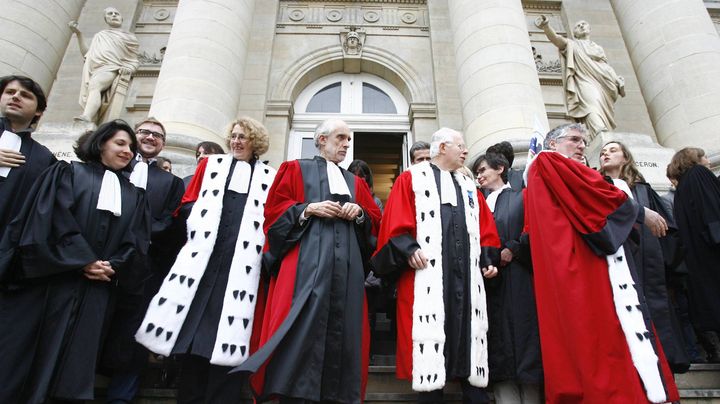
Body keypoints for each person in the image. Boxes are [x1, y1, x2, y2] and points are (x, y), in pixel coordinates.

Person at [525, 123, 678, 403]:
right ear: (552, 144)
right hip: (579, 259)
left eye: (583, 141)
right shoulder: (549, 160)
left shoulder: (541, 169)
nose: (581, 146)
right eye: (573, 140)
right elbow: (594, 190)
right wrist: (640, 211)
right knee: (600, 336)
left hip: (568, 257)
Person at [0, 120, 149, 403]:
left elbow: (136, 241)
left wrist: (113, 265)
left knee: (77, 366)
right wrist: (83, 260)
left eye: (131, 147)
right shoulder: (67, 173)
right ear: (100, 143)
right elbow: (53, 219)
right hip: (54, 281)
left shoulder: (134, 195)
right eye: (120, 143)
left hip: (98, 289)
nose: (128, 151)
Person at [235, 118, 381, 403]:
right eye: (340, 138)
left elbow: (376, 223)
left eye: (348, 140)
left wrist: (360, 213)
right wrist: (307, 209)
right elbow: (273, 213)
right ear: (321, 140)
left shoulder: (356, 183)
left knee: (345, 332)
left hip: (347, 268)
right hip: (304, 265)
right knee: (300, 325)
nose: (346, 144)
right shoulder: (294, 170)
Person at [136, 117, 276, 403]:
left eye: (243, 137)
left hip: (240, 270)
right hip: (204, 264)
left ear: (255, 142)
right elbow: (187, 203)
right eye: (234, 136)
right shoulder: (210, 167)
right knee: (193, 338)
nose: (236, 141)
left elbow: (273, 219)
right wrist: (200, 224)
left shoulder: (269, 176)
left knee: (230, 339)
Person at [372, 128, 501, 403]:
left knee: (468, 335)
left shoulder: (469, 187)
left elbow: (486, 228)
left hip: (466, 277)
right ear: (442, 148)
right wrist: (409, 248)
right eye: (460, 145)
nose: (466, 151)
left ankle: (473, 390)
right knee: (429, 347)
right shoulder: (410, 179)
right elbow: (394, 221)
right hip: (427, 276)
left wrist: (488, 259)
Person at [102, 117, 185, 403]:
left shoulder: (171, 182)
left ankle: (120, 396)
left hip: (146, 267)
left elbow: (171, 222)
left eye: (157, 135)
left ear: (163, 144)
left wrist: (139, 237)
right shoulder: (112, 169)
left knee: (134, 331)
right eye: (144, 132)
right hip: (102, 261)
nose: (150, 137)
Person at [599, 141, 690, 372]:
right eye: (602, 152)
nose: (605, 154)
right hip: (617, 258)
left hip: (648, 260)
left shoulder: (642, 189)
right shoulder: (600, 187)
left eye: (612, 150)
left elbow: (666, 228)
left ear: (625, 158)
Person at [475, 153, 542, 404]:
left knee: (524, 337)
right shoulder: (475, 202)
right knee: (497, 341)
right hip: (487, 281)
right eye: (477, 172)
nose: (479, 176)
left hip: (518, 277)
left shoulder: (521, 196)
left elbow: (533, 227)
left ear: (500, 168)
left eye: (483, 170)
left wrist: (513, 248)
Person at [667, 147, 720, 362]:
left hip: (699, 258)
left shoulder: (680, 190)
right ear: (695, 160)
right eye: (705, 156)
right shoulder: (699, 174)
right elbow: (712, 208)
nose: (708, 161)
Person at [535, 16, 625, 139]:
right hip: (584, 79)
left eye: (584, 24)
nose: (582, 26)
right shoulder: (572, 44)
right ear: (575, 34)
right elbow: (556, 39)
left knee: (599, 105)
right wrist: (546, 27)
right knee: (591, 103)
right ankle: (599, 130)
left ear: (589, 28)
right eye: (578, 26)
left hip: (603, 81)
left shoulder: (597, 48)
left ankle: (603, 133)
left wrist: (617, 80)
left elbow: (604, 65)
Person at [0, 75, 56, 234]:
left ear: (39, 111)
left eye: (25, 95)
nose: (15, 96)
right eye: (10, 92)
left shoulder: (45, 158)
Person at [69, 7, 139, 123]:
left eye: (116, 13)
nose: (114, 15)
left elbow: (133, 60)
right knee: (94, 88)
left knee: (95, 86)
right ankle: (91, 117)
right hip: (95, 69)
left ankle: (87, 116)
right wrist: (79, 34)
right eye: (110, 14)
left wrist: (129, 68)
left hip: (112, 67)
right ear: (106, 19)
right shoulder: (100, 35)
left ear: (121, 18)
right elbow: (87, 53)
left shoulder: (129, 38)